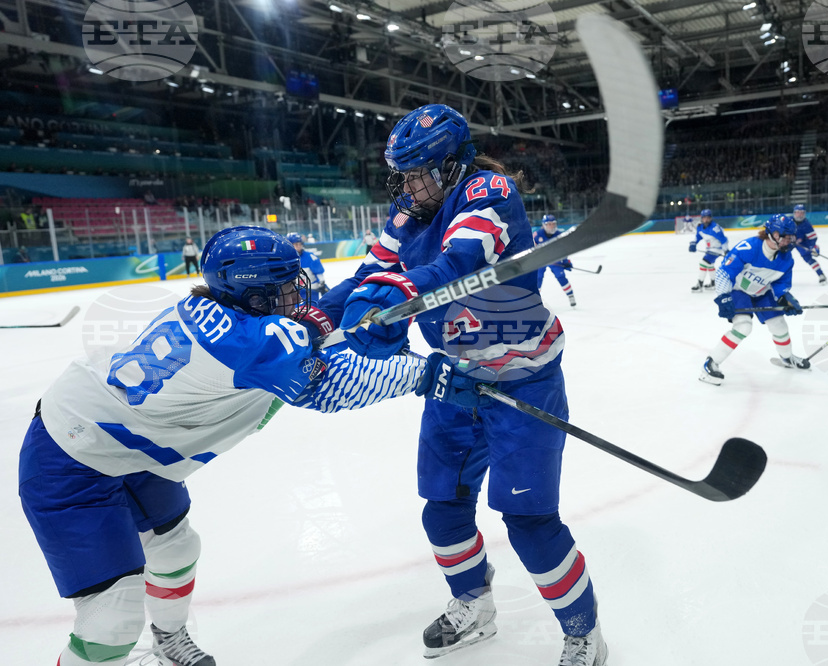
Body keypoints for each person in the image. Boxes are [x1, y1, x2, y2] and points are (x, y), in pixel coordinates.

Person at [18, 226, 435, 666]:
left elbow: (306, 326)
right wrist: (429, 374)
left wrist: (396, 238)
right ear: (255, 298)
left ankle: (169, 640)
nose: (299, 293)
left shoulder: (226, 313)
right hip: (71, 455)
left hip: (125, 437)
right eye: (287, 287)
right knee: (112, 619)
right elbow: (335, 388)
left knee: (176, 547)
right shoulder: (249, 343)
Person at [317, 103, 608, 666]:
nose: (408, 185)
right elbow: (364, 275)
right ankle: (473, 604)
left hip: (523, 381)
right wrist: (316, 319)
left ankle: (583, 634)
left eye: (418, 172)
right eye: (402, 174)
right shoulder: (407, 212)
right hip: (454, 380)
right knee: (442, 508)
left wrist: (396, 297)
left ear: (452, 165)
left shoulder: (489, 193)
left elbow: (459, 265)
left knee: (528, 521)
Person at [700, 214, 809, 385]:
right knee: (743, 326)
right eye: (785, 236)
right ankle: (711, 363)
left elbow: (781, 283)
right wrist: (723, 297)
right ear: (772, 233)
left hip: (761, 291)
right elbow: (723, 272)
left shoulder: (786, 258)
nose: (789, 240)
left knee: (779, 324)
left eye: (791, 237)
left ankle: (787, 358)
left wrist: (785, 298)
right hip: (738, 290)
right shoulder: (749, 247)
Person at [535, 214, 577, 307]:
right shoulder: (537, 235)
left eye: (553, 224)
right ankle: (535, 300)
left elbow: (563, 250)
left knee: (561, 276)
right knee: (538, 278)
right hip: (541, 260)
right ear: (544, 225)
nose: (551, 226)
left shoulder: (559, 235)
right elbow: (531, 249)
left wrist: (566, 262)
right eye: (549, 224)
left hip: (554, 259)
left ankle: (570, 296)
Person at [688, 208, 728, 292]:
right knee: (709, 265)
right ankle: (713, 283)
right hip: (709, 250)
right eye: (704, 217)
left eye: (708, 217)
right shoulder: (700, 227)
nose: (706, 219)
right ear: (701, 218)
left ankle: (700, 284)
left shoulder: (715, 229)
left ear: (711, 218)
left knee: (703, 263)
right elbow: (698, 236)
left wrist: (726, 250)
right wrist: (693, 243)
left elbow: (724, 240)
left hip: (716, 250)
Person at [790, 204, 827, 285]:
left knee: (808, 258)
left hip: (802, 243)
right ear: (794, 213)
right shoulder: (788, 221)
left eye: (802, 213)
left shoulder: (806, 225)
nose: (799, 215)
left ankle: (821, 274)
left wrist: (811, 247)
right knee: (780, 256)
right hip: (787, 242)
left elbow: (812, 238)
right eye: (798, 212)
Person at [287, 231, 328, 296]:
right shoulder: (286, 259)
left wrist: (322, 284)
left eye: (300, 244)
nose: (299, 246)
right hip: (294, 292)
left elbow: (319, 274)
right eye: (296, 244)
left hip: (311, 291)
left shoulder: (310, 257)